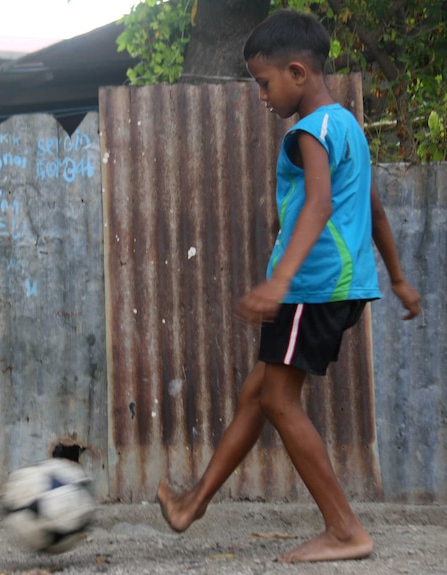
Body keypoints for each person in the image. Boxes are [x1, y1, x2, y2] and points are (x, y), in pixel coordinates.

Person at [156, 10, 422, 563]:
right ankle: (192, 505)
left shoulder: (307, 132)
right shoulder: (346, 125)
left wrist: (278, 281)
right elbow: (371, 207)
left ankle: (345, 529)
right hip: (337, 288)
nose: (262, 95)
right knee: (258, 394)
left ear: (297, 72)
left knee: (277, 398)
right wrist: (396, 277)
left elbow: (321, 205)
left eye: (263, 82)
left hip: (311, 288)